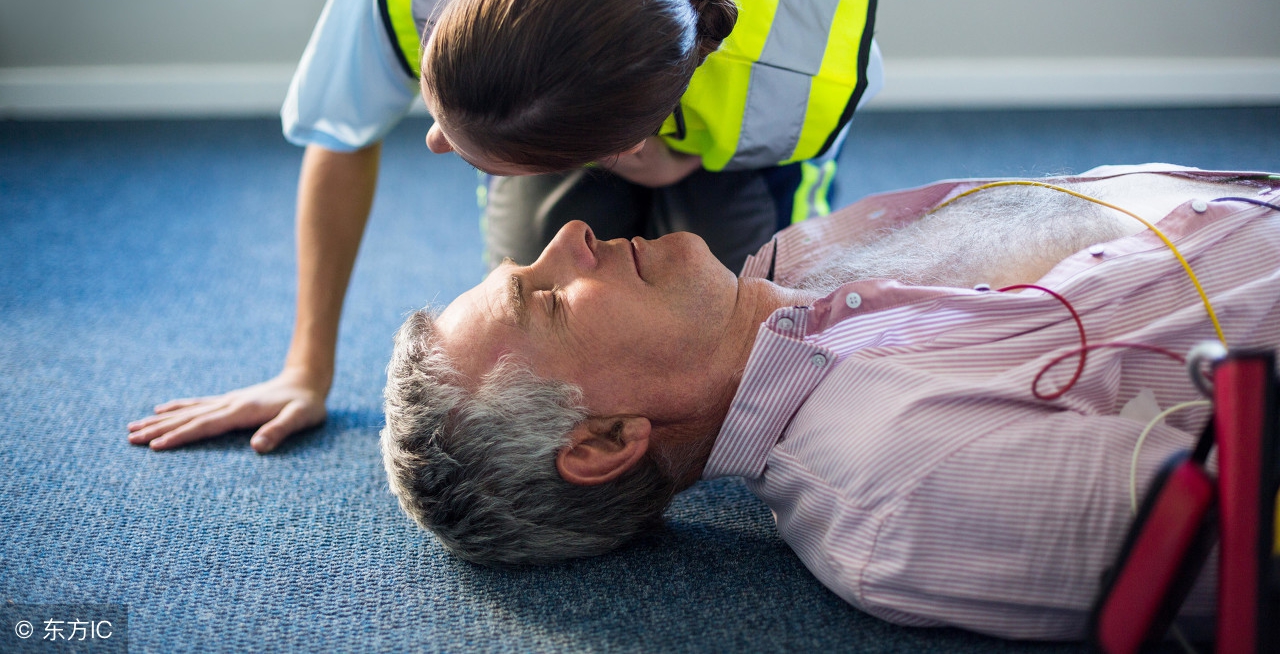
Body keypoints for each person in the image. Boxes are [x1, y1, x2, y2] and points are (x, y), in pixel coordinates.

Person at [126, 0, 881, 454]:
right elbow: (341, 132)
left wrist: (688, 164)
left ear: (620, 144)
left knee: (731, 302)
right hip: (582, 56)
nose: (434, 143)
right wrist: (305, 368)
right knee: (540, 319)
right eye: (445, 124)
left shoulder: (800, 67)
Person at [379, 165, 1280, 641]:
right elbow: (1243, 558)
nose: (567, 236)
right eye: (542, 298)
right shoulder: (901, 490)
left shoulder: (786, 268)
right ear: (606, 438)